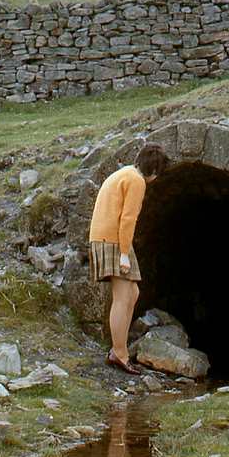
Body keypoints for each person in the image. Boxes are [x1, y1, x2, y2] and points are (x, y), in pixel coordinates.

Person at [87, 143, 168, 374]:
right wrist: (124, 254)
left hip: (106, 237)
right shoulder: (136, 181)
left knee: (132, 293)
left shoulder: (124, 173)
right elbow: (128, 219)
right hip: (113, 241)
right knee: (122, 298)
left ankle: (119, 349)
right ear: (154, 169)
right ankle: (119, 353)